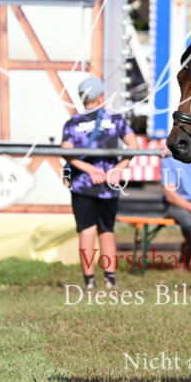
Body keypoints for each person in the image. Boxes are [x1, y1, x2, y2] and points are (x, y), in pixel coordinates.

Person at [61, 76, 139, 290]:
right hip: (109, 185)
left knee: (86, 232)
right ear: (100, 97)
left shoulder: (73, 123)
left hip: (81, 184)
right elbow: (134, 145)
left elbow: (65, 151)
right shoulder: (116, 121)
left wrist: (88, 169)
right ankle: (110, 279)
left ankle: (89, 282)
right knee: (107, 231)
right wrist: (117, 169)